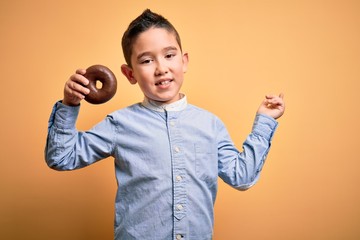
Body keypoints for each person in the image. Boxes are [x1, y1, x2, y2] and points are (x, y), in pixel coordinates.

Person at [45, 9, 285, 240]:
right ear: (130, 74)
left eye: (169, 55)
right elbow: (61, 157)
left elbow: (241, 176)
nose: (161, 68)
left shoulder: (210, 125)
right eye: (147, 60)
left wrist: (264, 122)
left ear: (184, 61)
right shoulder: (120, 124)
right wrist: (69, 104)